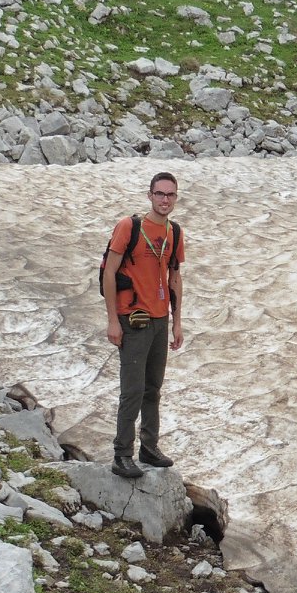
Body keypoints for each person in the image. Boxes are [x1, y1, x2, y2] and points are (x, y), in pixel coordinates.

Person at [102, 172, 185, 479]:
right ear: (149, 195)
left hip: (160, 318)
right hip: (133, 318)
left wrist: (178, 323)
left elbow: (174, 278)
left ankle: (149, 447)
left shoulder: (175, 232)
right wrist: (113, 320)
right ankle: (122, 454)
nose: (165, 199)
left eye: (170, 195)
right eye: (160, 194)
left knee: (153, 388)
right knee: (133, 390)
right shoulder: (130, 227)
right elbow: (109, 273)